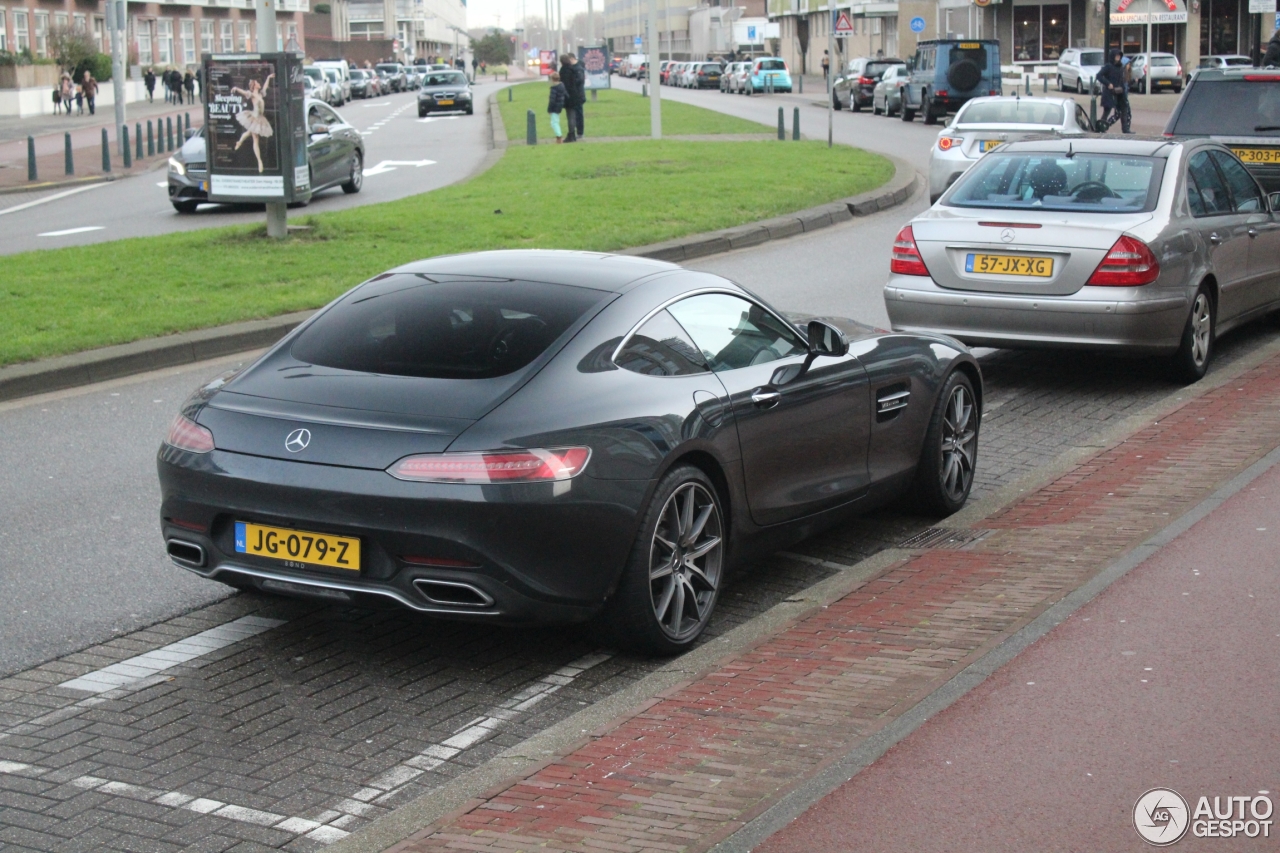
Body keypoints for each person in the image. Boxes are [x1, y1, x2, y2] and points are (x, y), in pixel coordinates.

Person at [232, 73, 275, 173]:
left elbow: (265, 87)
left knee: (249, 132)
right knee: (255, 139)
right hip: (254, 118)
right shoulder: (252, 95)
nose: (259, 84)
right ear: (254, 85)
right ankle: (260, 162)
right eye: (257, 83)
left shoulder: (260, 94)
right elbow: (243, 92)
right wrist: (236, 88)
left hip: (260, 118)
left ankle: (240, 142)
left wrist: (268, 77)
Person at [1096, 49, 1131, 134]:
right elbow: (1099, 75)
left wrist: (1124, 89)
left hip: (1119, 93)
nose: (1118, 57)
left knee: (1123, 109)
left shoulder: (1121, 67)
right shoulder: (1108, 66)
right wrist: (1108, 84)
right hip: (1109, 93)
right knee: (1107, 111)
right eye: (1116, 56)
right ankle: (1101, 127)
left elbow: (1122, 80)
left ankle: (1125, 129)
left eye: (1119, 56)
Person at [560, 52, 585, 141]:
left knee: (572, 115)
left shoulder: (565, 70)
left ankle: (573, 134)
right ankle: (575, 133)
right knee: (574, 115)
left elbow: (566, 84)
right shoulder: (573, 69)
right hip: (576, 95)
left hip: (572, 96)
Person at [547, 71, 567, 143]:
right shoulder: (562, 86)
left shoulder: (554, 89)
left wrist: (549, 109)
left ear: (552, 79)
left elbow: (552, 100)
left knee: (554, 123)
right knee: (556, 121)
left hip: (555, 107)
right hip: (559, 106)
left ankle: (559, 137)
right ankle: (559, 136)